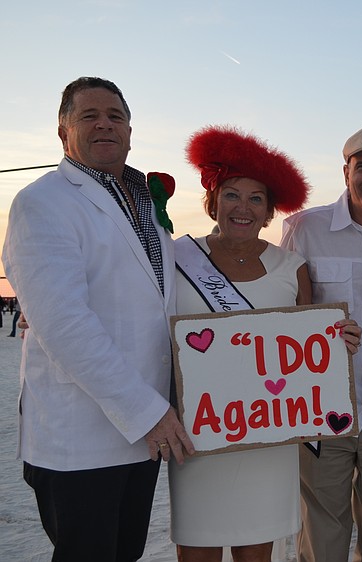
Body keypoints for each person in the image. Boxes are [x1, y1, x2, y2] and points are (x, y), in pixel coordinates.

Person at [1, 76, 194, 561]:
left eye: (116, 116)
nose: (105, 124)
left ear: (130, 130)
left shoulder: (144, 202)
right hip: (82, 435)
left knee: (124, 553)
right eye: (89, 116)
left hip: (146, 432)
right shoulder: (43, 202)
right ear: (63, 131)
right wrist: (148, 412)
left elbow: (158, 300)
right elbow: (64, 324)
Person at [170, 125, 361, 561]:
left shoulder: (290, 266)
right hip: (201, 432)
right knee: (196, 546)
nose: (243, 207)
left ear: (269, 211)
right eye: (232, 194)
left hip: (269, 435)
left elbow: (309, 344)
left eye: (256, 198)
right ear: (213, 200)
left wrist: (337, 342)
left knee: (256, 549)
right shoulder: (178, 258)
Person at [280, 125, 362, 562]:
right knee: (322, 539)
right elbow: (280, 313)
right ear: (345, 171)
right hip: (322, 414)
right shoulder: (304, 228)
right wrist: (317, 331)